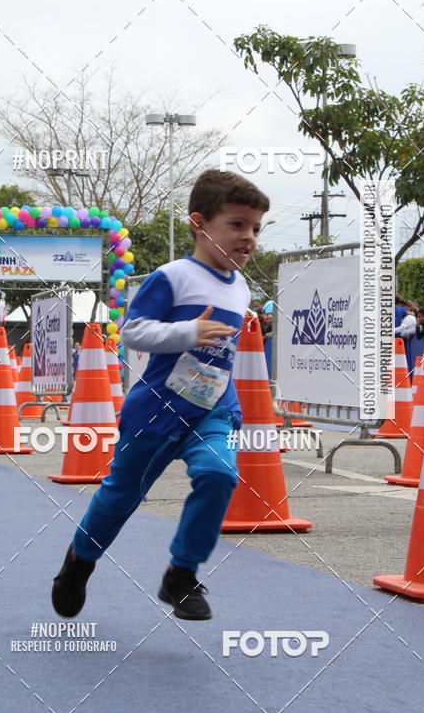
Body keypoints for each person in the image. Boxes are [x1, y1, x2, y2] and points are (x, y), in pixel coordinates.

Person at [52, 169, 270, 621]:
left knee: (218, 475)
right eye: (236, 224)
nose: (248, 237)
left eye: (255, 228)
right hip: (157, 412)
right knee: (121, 497)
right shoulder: (172, 277)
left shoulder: (243, 286)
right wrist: (189, 331)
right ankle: (78, 564)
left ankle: (181, 574)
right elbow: (132, 331)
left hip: (213, 409)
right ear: (199, 223)